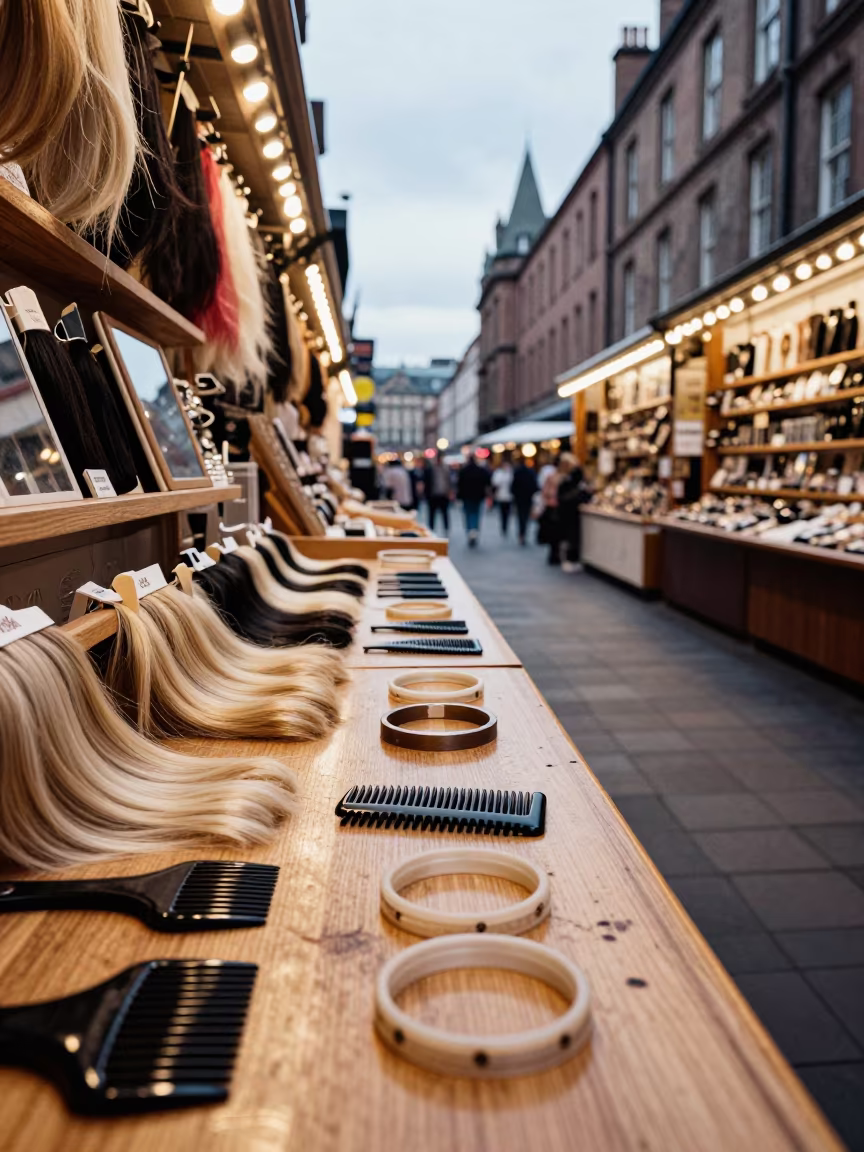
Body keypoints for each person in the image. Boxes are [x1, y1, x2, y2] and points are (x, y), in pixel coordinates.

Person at [538, 452, 577, 566]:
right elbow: (545, 492)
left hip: (559, 508)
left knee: (558, 534)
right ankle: (555, 555)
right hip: (555, 508)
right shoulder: (556, 477)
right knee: (555, 534)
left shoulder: (568, 477)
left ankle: (557, 555)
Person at [556, 459, 590, 572]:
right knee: (570, 539)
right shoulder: (574, 486)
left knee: (570, 539)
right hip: (570, 516)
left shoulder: (568, 484)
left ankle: (569, 560)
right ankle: (568, 560)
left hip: (567, 516)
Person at [457, 453, 491, 547]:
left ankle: (470, 531)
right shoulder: (480, 470)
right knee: (476, 514)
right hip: (478, 496)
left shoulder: (464, 471)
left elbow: (459, 484)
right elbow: (488, 481)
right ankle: (474, 530)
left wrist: (459, 496)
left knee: (468, 514)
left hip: (466, 496)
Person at [422, 451, 453, 534]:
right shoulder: (430, 469)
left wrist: (449, 492)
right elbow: (426, 482)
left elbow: (449, 482)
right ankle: (431, 529)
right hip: (433, 495)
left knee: (444, 513)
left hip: (443, 494)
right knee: (432, 514)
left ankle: (446, 528)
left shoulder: (445, 469)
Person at [511, 455, 538, 545]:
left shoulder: (517, 472)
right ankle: (523, 533)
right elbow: (535, 485)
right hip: (527, 497)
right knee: (526, 515)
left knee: (520, 516)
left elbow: (513, 486)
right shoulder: (530, 472)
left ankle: (521, 533)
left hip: (519, 498)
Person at [489, 455, 515, 536]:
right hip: (500, 496)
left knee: (507, 513)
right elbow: (495, 483)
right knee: (502, 512)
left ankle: (505, 526)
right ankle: (503, 526)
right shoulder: (498, 473)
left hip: (509, 496)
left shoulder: (511, 473)